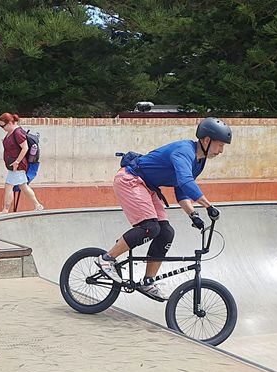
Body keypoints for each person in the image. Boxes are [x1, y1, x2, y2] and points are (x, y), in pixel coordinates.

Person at [95, 117, 232, 301]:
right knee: (150, 228)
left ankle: (147, 281)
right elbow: (186, 181)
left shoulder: (198, 162)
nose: (221, 151)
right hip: (131, 179)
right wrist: (208, 206)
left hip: (149, 187)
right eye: (220, 145)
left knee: (166, 232)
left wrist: (193, 215)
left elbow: (181, 190)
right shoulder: (184, 151)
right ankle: (107, 259)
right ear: (206, 140)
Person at [0, 113, 43, 213]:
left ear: (9, 123)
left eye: (2, 126)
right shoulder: (11, 132)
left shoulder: (17, 133)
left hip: (17, 165)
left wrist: (17, 162)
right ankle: (37, 205)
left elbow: (25, 148)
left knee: (9, 186)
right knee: (23, 186)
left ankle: (6, 209)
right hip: (14, 165)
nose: (2, 128)